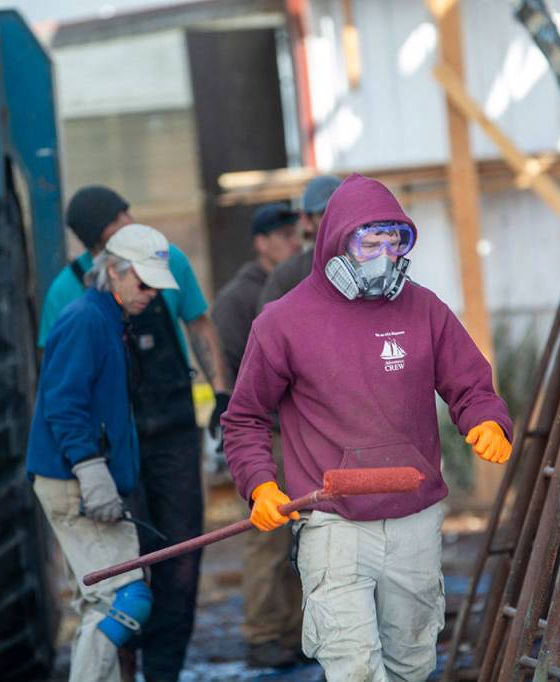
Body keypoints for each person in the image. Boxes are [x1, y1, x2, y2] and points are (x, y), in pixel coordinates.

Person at [222, 174, 514, 681]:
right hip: (332, 524)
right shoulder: (282, 322)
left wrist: (488, 419)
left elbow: (471, 385)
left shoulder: (424, 309)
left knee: (411, 664)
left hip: (414, 521)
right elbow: (245, 417)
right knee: (354, 667)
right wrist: (260, 485)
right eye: (368, 241)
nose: (383, 253)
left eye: (393, 240)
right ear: (336, 240)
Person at [39, 186, 231, 681]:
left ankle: (165, 672)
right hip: (112, 448)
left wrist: (223, 396)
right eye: (116, 223)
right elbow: (63, 389)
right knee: (126, 578)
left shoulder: (160, 265)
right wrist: (86, 463)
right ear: (106, 257)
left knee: (182, 561)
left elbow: (200, 325)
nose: (151, 295)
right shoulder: (75, 299)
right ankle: (121, 672)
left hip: (170, 433)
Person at [27, 224, 180, 682]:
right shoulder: (86, 320)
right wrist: (91, 469)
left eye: (157, 284)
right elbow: (63, 401)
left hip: (79, 476)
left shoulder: (107, 318)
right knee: (124, 599)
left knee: (103, 603)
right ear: (113, 270)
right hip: (74, 480)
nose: (152, 293)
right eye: (144, 282)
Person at [210, 203, 303, 668]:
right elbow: (226, 367)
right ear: (260, 242)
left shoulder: (298, 285)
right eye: (282, 234)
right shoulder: (237, 299)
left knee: (299, 540)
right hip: (264, 434)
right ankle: (264, 634)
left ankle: (293, 632)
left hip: (296, 433)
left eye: (295, 232)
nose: (293, 241)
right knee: (266, 537)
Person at [258, 175, 342, 309]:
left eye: (343, 210)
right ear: (306, 221)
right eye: (324, 214)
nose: (337, 220)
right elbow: (266, 328)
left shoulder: (376, 262)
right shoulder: (288, 276)